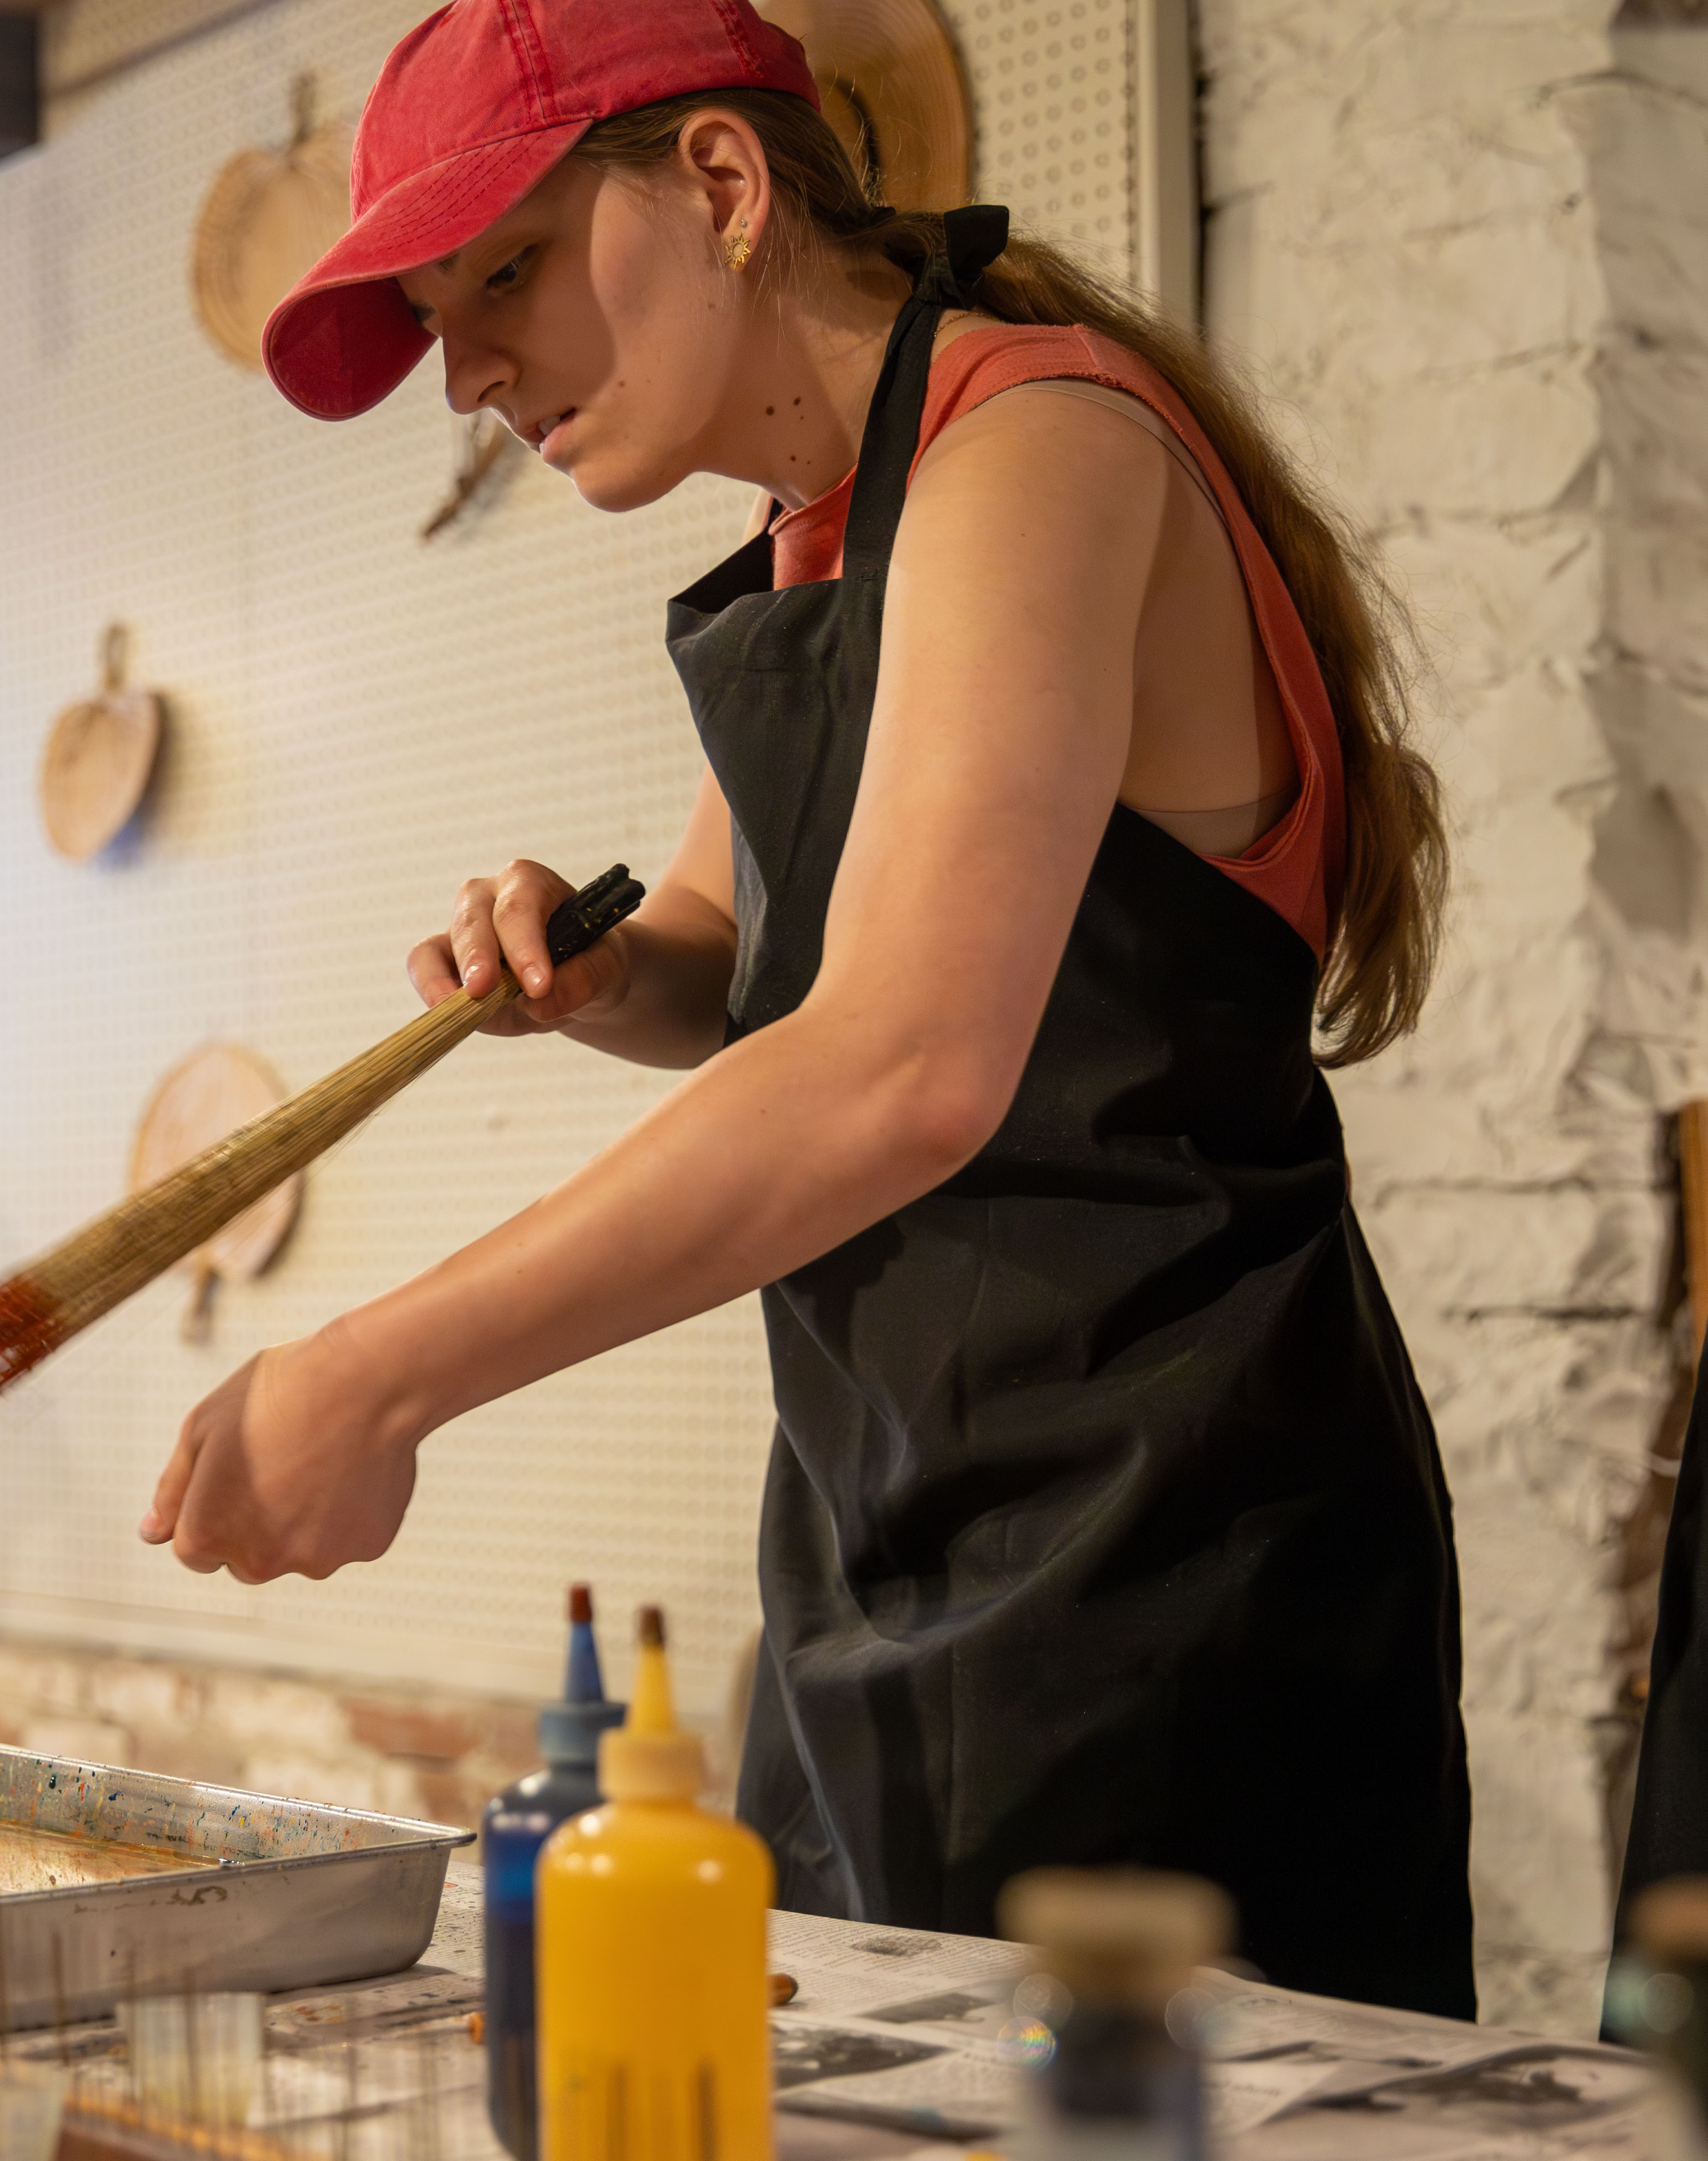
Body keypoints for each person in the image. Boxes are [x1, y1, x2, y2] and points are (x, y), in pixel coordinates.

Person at [137, 0, 1472, 2015]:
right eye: (438, 314)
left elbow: (903, 1065)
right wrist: (599, 976)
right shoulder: (823, 534)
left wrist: (377, 1372)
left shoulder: (1038, 447)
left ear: (725, 185)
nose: (469, 374)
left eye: (500, 272)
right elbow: (731, 962)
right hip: (875, 1539)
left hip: (1171, 1556)